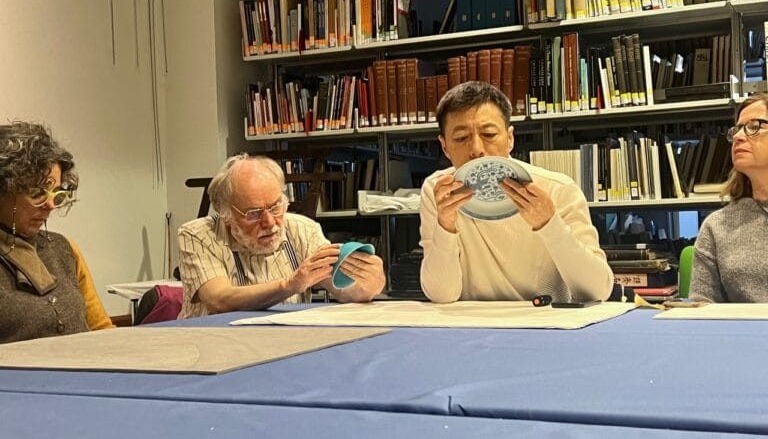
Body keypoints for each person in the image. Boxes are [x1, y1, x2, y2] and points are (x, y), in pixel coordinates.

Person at [419, 81, 614, 303]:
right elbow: (441, 295)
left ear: (510, 138)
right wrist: (445, 226)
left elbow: (598, 290)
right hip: (471, 328)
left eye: (489, 134)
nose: (476, 149)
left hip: (544, 326)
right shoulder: (438, 191)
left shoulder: (558, 189)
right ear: (444, 146)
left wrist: (550, 224)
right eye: (462, 138)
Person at [177, 154, 386, 318]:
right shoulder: (197, 235)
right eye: (254, 214)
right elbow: (220, 300)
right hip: (212, 346)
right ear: (226, 215)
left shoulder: (303, 230)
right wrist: (290, 285)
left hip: (281, 346)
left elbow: (343, 290)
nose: (269, 222)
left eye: (276, 206)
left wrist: (368, 284)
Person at [0, 121, 114, 343]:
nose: (50, 205)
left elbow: (101, 328)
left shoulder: (64, 248)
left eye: (57, 193)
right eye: (37, 193)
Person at [690, 94, 768, 302]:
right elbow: (702, 308)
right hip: (740, 333)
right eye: (737, 129)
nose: (739, 137)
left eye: (754, 126)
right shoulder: (717, 226)